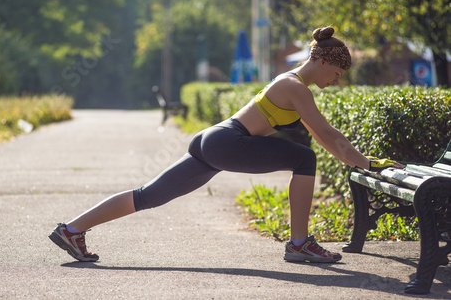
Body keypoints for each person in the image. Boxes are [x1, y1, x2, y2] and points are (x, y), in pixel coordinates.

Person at [49, 26, 404, 263]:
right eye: (338, 74)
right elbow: (328, 136)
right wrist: (367, 163)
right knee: (304, 159)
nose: (337, 81)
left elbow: (323, 136)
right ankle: (299, 244)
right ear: (323, 60)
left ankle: (72, 230)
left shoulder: (293, 85)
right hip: (227, 141)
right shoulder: (296, 87)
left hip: (213, 140)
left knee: (149, 195)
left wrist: (359, 158)